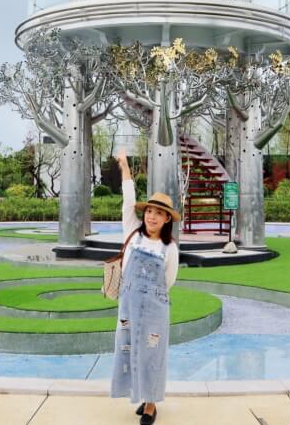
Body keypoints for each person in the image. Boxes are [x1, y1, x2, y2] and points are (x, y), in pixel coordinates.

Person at [110, 147, 180, 425]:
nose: (151, 217)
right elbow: (128, 199)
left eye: (158, 214)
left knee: (152, 353)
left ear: (166, 219)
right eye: (149, 211)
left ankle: (151, 403)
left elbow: (169, 281)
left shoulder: (169, 248)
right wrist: (124, 165)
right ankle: (137, 395)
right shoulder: (132, 232)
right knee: (127, 347)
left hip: (154, 310)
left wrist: (149, 297)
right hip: (128, 306)